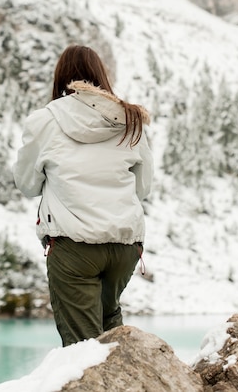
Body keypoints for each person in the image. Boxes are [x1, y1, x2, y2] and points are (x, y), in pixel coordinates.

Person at [13, 44, 154, 346]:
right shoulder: (132, 120)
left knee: (82, 349)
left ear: (61, 77)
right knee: (111, 330)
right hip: (124, 246)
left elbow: (26, 184)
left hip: (73, 246)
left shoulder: (45, 120)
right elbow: (142, 188)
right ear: (100, 75)